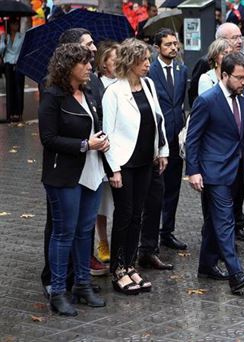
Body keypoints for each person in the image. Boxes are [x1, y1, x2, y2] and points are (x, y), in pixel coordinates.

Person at [39, 43, 109, 315]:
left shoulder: (89, 92)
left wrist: (101, 141)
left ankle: (82, 285)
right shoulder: (53, 96)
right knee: (64, 233)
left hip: (91, 171)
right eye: (85, 63)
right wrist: (85, 144)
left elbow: (95, 126)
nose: (91, 67)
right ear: (69, 67)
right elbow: (49, 139)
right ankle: (58, 292)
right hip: (64, 175)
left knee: (84, 231)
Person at [186, 52, 244, 294]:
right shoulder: (207, 100)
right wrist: (193, 171)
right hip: (213, 170)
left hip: (236, 168)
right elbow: (192, 139)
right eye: (239, 78)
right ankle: (236, 273)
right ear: (224, 74)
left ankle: (206, 265)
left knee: (214, 220)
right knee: (226, 220)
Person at [103, 38, 169, 295]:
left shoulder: (149, 85)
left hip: (145, 161)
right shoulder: (114, 91)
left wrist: (162, 150)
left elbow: (158, 120)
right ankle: (118, 269)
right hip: (124, 162)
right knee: (124, 215)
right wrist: (114, 170)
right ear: (130, 61)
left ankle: (130, 265)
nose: (148, 65)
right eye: (144, 60)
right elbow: (108, 132)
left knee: (138, 215)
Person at [138, 28, 188, 271]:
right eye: (168, 44)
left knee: (174, 188)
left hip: (176, 138)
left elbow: (182, 104)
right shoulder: (149, 72)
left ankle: (167, 230)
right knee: (154, 191)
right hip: (157, 139)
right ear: (157, 47)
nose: (173, 48)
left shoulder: (182, 69)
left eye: (175, 44)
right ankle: (150, 236)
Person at [92, 40, 120, 265]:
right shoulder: (96, 84)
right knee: (102, 201)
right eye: (114, 59)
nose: (119, 62)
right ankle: (103, 241)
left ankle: (121, 240)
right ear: (104, 64)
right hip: (102, 149)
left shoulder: (125, 83)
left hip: (122, 149)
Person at [0, 17, 25, 122]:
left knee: (19, 89)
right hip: (8, 64)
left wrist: (17, 61)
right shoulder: (5, 36)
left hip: (18, 63)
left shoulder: (22, 36)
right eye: (13, 24)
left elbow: (22, 50)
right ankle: (10, 113)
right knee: (10, 89)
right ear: (9, 25)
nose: (16, 26)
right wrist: (5, 41)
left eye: (17, 24)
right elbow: (1, 50)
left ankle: (19, 112)